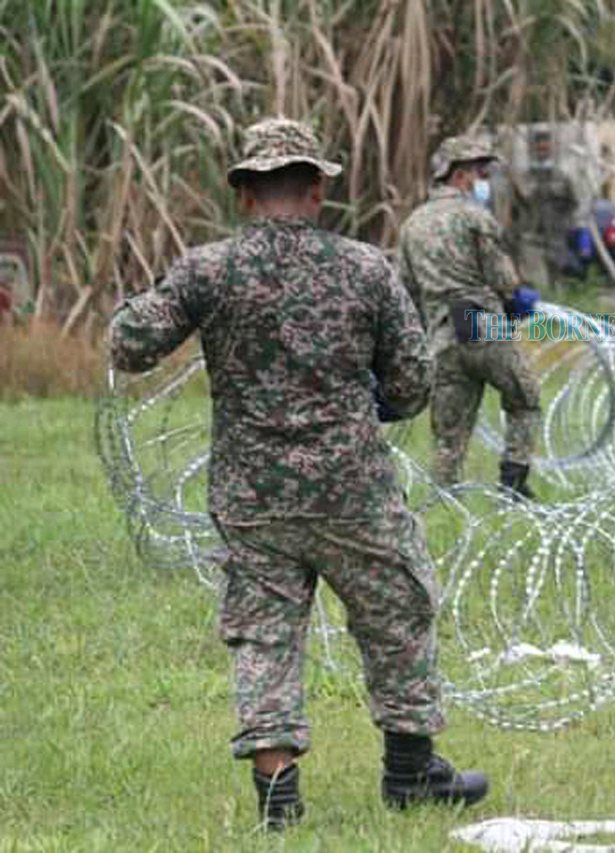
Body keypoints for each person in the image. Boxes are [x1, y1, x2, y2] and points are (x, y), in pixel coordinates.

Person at [108, 117, 488, 830]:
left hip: (253, 496)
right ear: (317, 190)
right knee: (396, 615)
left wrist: (146, 301)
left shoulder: (210, 269)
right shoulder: (365, 268)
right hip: (354, 491)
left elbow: (130, 344)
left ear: (247, 194)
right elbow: (410, 384)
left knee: (265, 635)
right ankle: (410, 772)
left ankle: (277, 798)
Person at [399, 134, 541, 498]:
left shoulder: (412, 225)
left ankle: (446, 500)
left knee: (449, 431)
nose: (483, 180)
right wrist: (516, 298)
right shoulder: (475, 217)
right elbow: (503, 280)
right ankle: (514, 483)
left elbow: (406, 290)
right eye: (480, 172)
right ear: (460, 174)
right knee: (524, 398)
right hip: (483, 324)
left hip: (442, 335)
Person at [512, 124, 580, 289]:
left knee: (556, 281)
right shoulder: (523, 178)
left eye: (545, 142)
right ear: (533, 148)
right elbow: (515, 208)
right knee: (535, 282)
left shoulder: (562, 177)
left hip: (556, 237)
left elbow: (572, 204)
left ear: (551, 147)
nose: (542, 146)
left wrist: (564, 226)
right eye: (538, 143)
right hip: (531, 238)